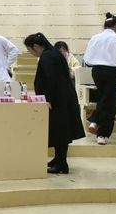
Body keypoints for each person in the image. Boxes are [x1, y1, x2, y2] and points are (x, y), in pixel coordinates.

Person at [24, 33, 84, 174]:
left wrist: (47, 99)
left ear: (35, 46)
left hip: (58, 99)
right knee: (59, 130)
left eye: (29, 50)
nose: (30, 53)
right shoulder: (53, 53)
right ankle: (58, 159)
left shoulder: (48, 56)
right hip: (62, 97)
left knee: (60, 131)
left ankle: (62, 163)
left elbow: (50, 79)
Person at [83, 13, 116, 145]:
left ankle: (95, 120)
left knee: (103, 97)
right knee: (110, 102)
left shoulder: (94, 38)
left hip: (97, 71)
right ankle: (102, 134)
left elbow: (87, 59)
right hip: (113, 72)